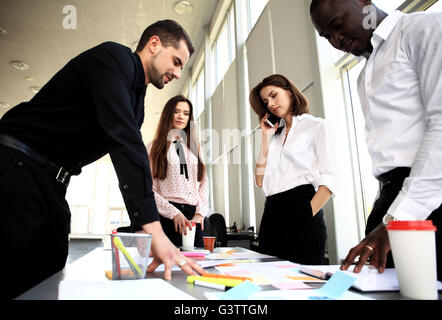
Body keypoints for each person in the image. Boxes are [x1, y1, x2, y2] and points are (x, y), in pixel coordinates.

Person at [0, 19, 205, 299]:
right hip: (16, 162)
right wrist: (155, 231)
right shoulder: (113, 58)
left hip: (55, 180)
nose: (178, 73)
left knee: (51, 264)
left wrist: (144, 230)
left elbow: (129, 159)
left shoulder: (137, 101)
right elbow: (125, 143)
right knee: (15, 271)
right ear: (154, 44)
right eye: (176, 61)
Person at [310, 0, 442, 280]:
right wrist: (385, 213)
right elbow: (391, 153)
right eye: (326, 36)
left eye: (336, 25)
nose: (336, 40)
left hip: (428, 199)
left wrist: (399, 219)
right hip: (393, 197)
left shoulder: (421, 28)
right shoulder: (365, 73)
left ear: (363, 3)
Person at [249, 74, 336, 265]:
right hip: (271, 213)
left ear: (289, 91)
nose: (270, 104)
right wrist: (265, 138)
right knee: (269, 282)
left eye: (274, 95)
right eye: (266, 101)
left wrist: (307, 215)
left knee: (305, 284)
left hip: (302, 209)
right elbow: (260, 181)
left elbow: (329, 179)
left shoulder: (316, 126)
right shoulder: (273, 136)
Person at [146, 95, 210, 248]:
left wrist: (200, 213)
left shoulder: (195, 148)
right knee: (171, 267)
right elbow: (149, 188)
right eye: (177, 111)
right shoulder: (153, 148)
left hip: (194, 218)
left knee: (198, 264)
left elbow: (204, 183)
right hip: (168, 216)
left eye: (186, 113)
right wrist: (173, 213)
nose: (182, 116)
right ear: (169, 114)